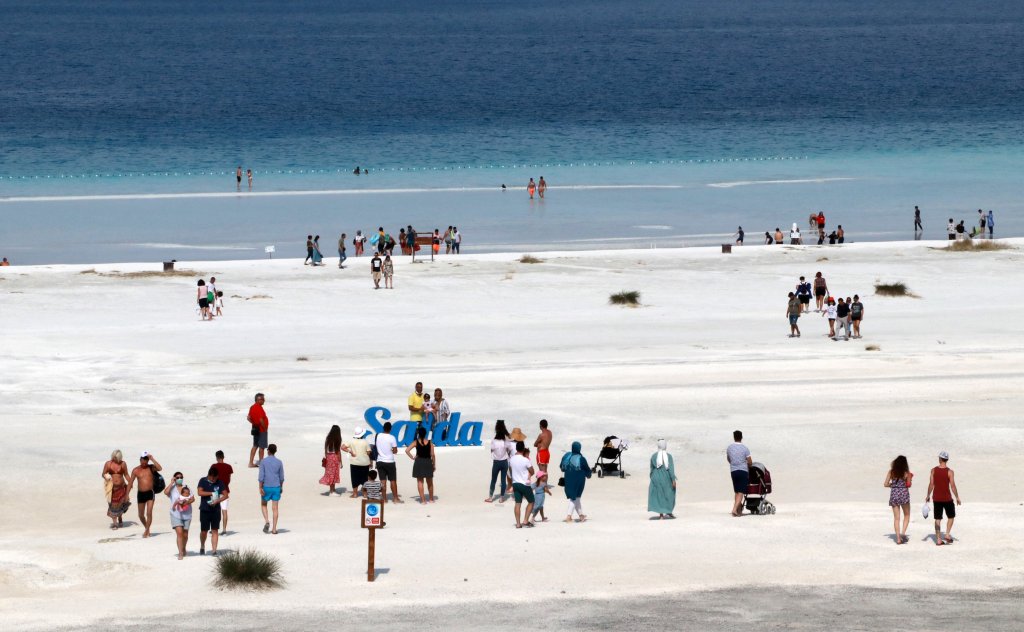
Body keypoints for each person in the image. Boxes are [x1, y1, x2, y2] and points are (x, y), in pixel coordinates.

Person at [926, 451, 961, 546]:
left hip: (936, 498)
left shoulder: (933, 470)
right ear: (947, 460)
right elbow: (953, 486)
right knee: (951, 516)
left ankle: (938, 539)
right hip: (947, 498)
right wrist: (957, 497)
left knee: (937, 519)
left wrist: (928, 495)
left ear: (940, 459)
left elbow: (931, 484)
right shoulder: (950, 472)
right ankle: (947, 534)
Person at [128, 451, 163, 538]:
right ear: (140, 460)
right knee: (141, 515)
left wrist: (152, 459)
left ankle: (146, 531)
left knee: (149, 513)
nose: (144, 461)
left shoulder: (151, 468)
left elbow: (160, 468)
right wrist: (126, 494)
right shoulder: (136, 470)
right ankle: (147, 528)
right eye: (143, 459)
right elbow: (130, 483)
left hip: (150, 493)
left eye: (146, 459)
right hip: (140, 494)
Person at [196, 466, 227, 555]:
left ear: (217, 476)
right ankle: (202, 545)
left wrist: (217, 501)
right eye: (211, 477)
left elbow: (225, 495)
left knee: (215, 530)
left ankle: (214, 550)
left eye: (215, 478)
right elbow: (199, 492)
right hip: (205, 509)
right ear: (209, 475)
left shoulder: (220, 482)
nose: (213, 479)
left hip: (216, 510)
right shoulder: (203, 480)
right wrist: (212, 493)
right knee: (204, 531)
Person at [164, 472, 194, 560]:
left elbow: (193, 499)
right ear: (174, 478)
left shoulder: (186, 488)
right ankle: (180, 552)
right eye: (177, 477)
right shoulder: (172, 488)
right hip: (175, 514)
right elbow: (166, 492)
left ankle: (184, 548)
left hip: (187, 514)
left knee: (185, 534)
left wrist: (186, 502)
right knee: (179, 533)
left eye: (181, 477)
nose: (179, 479)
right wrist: (171, 483)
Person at [884, 455, 913, 545]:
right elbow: (909, 485)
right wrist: (910, 479)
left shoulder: (891, 472)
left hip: (894, 494)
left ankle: (898, 539)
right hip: (904, 494)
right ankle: (903, 533)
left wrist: (892, 485)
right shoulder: (907, 473)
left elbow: (885, 484)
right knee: (907, 515)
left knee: (896, 518)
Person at [560, 441, 591, 523]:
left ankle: (581, 516)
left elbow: (561, 467)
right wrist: (589, 475)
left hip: (568, 478)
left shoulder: (566, 456)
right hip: (579, 480)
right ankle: (568, 516)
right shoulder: (581, 458)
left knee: (576, 497)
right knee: (574, 497)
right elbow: (587, 469)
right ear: (579, 448)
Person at [507, 442, 536, 528]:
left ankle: (518, 524)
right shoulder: (525, 460)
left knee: (518, 503)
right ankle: (525, 521)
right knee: (531, 501)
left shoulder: (511, 459)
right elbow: (532, 471)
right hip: (524, 484)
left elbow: (510, 471)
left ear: (516, 448)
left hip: (515, 483)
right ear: (523, 449)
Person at [405, 427, 436, 503]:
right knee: (430, 482)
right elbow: (432, 455)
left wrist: (412, 457)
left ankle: (423, 501)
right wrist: (434, 464)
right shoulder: (430, 442)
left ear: (418, 434)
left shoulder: (416, 442)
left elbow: (407, 450)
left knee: (420, 482)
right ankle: (431, 499)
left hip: (419, 462)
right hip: (428, 462)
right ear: (425, 434)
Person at [258, 444, 285, 534]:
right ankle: (274, 529)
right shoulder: (279, 462)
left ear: (268, 451)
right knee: (275, 508)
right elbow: (281, 477)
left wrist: (260, 487)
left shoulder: (263, 461)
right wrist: (281, 486)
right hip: (276, 486)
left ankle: (267, 521)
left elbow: (261, 476)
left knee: (263, 504)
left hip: (266, 486)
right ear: (275, 451)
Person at [102, 450, 131, 529]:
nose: (114, 459)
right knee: (113, 505)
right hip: (112, 488)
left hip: (121, 487)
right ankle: (115, 524)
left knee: (120, 504)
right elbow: (103, 474)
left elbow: (126, 474)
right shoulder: (108, 464)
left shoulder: (123, 464)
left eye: (116, 458)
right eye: (114, 457)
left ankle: (120, 518)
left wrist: (130, 482)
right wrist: (106, 477)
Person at [648, 439, 677, 520]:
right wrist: (673, 479)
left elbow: (651, 468)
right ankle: (669, 512)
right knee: (669, 494)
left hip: (656, 477)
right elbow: (671, 469)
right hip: (666, 477)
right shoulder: (669, 456)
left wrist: (652, 477)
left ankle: (661, 515)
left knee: (659, 495)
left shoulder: (654, 456)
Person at [485, 420, 513, 503]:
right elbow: (510, 449)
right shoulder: (505, 441)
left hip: (496, 463)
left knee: (493, 480)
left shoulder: (494, 441)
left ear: (496, 430)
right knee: (503, 480)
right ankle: (501, 498)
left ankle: (490, 497)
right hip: (504, 462)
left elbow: (491, 450)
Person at [374, 422, 401, 503]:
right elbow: (395, 451)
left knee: (383, 481)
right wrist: (391, 450)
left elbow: (375, 446)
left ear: (383, 427)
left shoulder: (378, 435)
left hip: (380, 460)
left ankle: (384, 499)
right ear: (390, 429)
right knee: (393, 480)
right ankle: (395, 498)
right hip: (389, 461)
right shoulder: (392, 437)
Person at [726, 430, 752, 517]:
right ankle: (734, 509)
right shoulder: (745, 448)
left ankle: (738, 510)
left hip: (733, 471)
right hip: (743, 471)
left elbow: (728, 459)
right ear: (741, 437)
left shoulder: (729, 448)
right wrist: (747, 466)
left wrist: (734, 463)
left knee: (737, 491)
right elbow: (750, 462)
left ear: (734, 437)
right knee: (741, 492)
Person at [346, 427, 372, 498]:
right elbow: (368, 452)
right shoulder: (365, 441)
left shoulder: (351, 441)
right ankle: (365, 494)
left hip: (354, 462)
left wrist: (350, 452)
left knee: (354, 478)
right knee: (365, 479)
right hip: (364, 463)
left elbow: (342, 447)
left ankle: (355, 494)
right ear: (362, 434)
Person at [211, 450, 233, 535]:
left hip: (215, 491)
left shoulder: (214, 466)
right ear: (223, 457)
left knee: (214, 510)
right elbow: (229, 479)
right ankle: (224, 530)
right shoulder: (228, 466)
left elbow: (211, 478)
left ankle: (214, 528)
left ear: (217, 457)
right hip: (225, 490)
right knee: (224, 510)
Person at [320, 425, 343, 496]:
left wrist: (326, 458)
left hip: (329, 457)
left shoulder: (328, 438)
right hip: (334, 457)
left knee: (330, 473)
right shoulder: (338, 439)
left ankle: (333, 489)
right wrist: (341, 462)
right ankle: (332, 492)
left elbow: (325, 449)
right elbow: (338, 451)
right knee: (334, 474)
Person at [247, 392, 269, 467]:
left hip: (255, 429)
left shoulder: (252, 407)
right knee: (261, 447)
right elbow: (261, 420)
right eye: (262, 399)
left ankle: (250, 463)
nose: (264, 400)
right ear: (258, 400)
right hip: (261, 430)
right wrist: (265, 428)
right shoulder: (258, 407)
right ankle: (261, 463)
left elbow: (248, 418)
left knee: (255, 445)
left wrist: (254, 423)